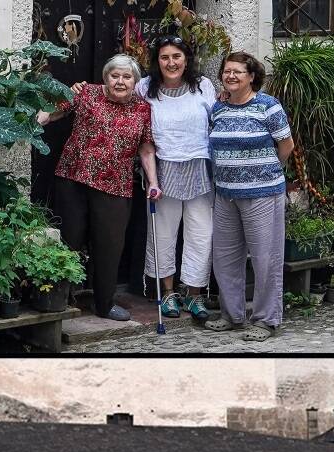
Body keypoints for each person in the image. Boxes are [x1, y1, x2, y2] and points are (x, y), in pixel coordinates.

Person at [38, 55, 159, 321]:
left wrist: (153, 182)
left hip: (115, 184)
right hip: (73, 178)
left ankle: (104, 303)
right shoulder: (86, 93)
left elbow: (146, 148)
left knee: (109, 245)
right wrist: (37, 118)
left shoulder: (142, 109)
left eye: (127, 77)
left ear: (135, 82)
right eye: (115, 75)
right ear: (105, 78)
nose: (120, 81)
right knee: (69, 238)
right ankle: (60, 299)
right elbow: (52, 112)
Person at [206, 51, 294, 341]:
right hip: (225, 194)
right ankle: (232, 315)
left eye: (238, 72)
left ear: (252, 76)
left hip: (263, 194)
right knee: (225, 257)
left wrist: (265, 173)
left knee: (265, 258)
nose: (230, 76)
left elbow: (286, 146)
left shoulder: (268, 106)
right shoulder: (218, 108)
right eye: (226, 71)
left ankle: (266, 320)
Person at [135, 36, 216, 320]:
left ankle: (194, 295)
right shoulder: (144, 87)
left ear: (186, 59)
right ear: (157, 61)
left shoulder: (203, 86)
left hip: (199, 169)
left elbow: (214, 125)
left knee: (201, 235)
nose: (171, 62)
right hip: (163, 169)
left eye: (176, 56)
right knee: (163, 235)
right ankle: (168, 293)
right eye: (165, 57)